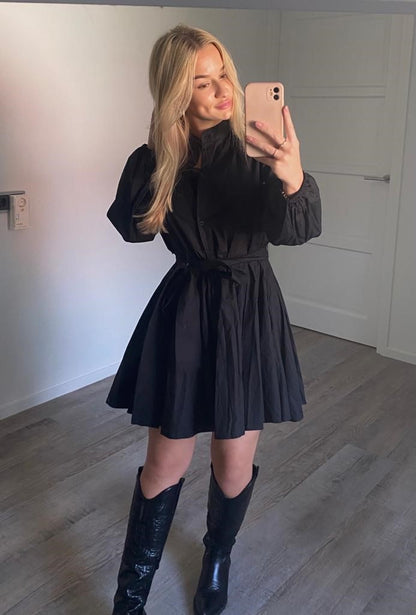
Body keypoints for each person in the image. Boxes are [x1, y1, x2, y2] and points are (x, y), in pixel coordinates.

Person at [106, 23, 321, 615]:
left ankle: (217, 559)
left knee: (232, 462)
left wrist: (292, 178)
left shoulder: (261, 150)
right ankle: (130, 596)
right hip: (187, 310)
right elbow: (132, 230)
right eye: (202, 82)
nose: (223, 90)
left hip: (250, 312)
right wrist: (158, 162)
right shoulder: (153, 159)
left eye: (223, 73)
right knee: (164, 462)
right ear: (176, 92)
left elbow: (298, 231)